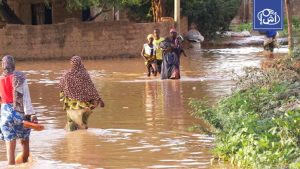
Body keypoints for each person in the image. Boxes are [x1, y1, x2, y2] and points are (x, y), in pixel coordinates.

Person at [0, 55, 37, 165]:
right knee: (25, 142)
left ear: (3, 65)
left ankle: (11, 166)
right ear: (13, 64)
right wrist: (31, 114)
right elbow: (26, 97)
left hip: (5, 115)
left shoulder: (0, 79)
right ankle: (25, 165)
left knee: (10, 150)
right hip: (20, 114)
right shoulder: (20, 77)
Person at [59, 56, 104, 131]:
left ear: (71, 63)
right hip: (83, 103)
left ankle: (73, 137)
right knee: (82, 121)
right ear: (80, 63)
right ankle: (83, 136)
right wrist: (99, 99)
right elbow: (91, 88)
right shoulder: (84, 74)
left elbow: (61, 85)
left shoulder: (67, 74)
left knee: (72, 121)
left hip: (71, 103)